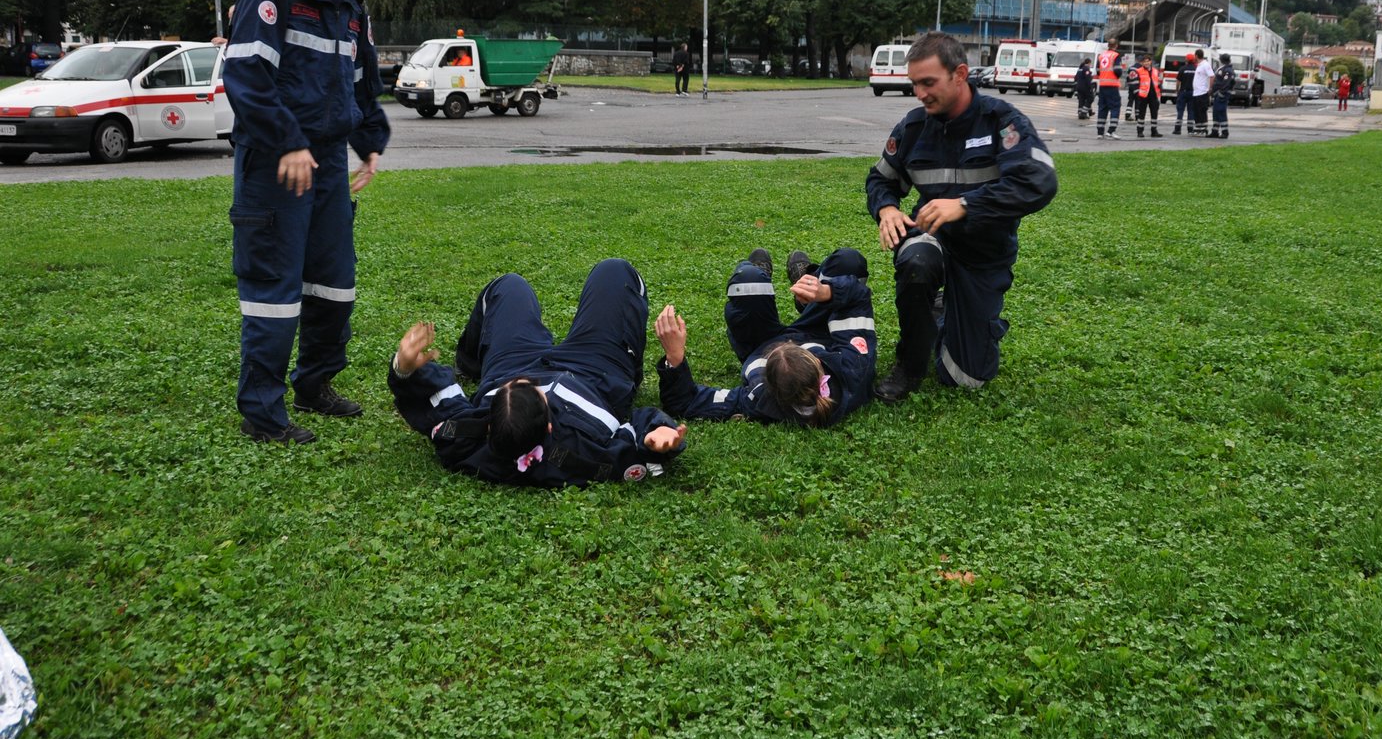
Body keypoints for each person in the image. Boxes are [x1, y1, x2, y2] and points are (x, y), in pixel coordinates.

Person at [224, 0, 390, 444]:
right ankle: (263, 415)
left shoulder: (352, 0)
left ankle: (315, 385)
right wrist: (288, 142)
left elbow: (362, 80)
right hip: (275, 161)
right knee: (274, 288)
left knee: (333, 282)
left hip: (326, 164)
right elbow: (246, 74)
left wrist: (371, 141)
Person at [866, 31, 1059, 402]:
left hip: (983, 254)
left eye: (928, 82)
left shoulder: (1000, 121)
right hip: (932, 239)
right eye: (914, 84)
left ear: (960, 74)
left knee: (964, 379)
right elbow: (880, 180)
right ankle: (909, 363)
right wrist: (887, 208)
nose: (920, 93)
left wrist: (967, 204)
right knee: (916, 263)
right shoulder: (912, 127)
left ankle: (946, 314)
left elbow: (1040, 181)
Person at [389, 259, 687, 487]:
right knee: (616, 273)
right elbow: (633, 445)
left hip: (512, 364)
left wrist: (403, 368)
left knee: (509, 286)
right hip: (594, 374)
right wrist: (656, 435)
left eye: (514, 387)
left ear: (490, 424)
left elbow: (440, 401)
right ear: (549, 427)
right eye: (531, 388)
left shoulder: (467, 435)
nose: (530, 382)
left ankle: (470, 361)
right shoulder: (581, 452)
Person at [653, 247, 876, 426]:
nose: (785, 344)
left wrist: (674, 357)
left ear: (769, 386)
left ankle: (760, 276)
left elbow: (686, 402)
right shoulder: (852, 370)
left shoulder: (756, 399)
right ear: (819, 365)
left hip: (759, 342)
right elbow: (859, 299)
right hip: (815, 330)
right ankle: (805, 292)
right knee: (849, 261)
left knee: (748, 280)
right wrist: (827, 293)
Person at [1094, 37, 1124, 139]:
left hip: (1102, 85)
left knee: (1102, 108)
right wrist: (1116, 76)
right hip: (1112, 85)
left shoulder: (1101, 56)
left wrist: (1104, 76)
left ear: (1108, 45)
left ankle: (1100, 132)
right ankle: (1111, 131)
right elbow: (1117, 70)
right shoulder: (1116, 56)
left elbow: (1098, 70)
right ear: (1116, 46)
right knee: (1115, 107)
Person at [1133, 55, 1164, 138]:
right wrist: (1137, 94)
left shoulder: (1155, 71)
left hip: (1153, 95)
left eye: (1148, 61)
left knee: (1154, 114)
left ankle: (1154, 131)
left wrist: (1160, 91)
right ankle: (1140, 131)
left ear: (1151, 62)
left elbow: (1159, 82)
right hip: (1143, 96)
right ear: (1142, 63)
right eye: (1144, 61)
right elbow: (1135, 84)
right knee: (1141, 115)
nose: (1146, 63)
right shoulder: (1138, 71)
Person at [1208, 52, 1236, 139]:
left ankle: (1225, 132)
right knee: (1216, 112)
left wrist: (1221, 93)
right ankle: (1215, 131)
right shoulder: (1222, 68)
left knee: (1221, 112)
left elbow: (1226, 83)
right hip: (1217, 94)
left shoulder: (1228, 70)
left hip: (1222, 95)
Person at [1190, 48, 1213, 136]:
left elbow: (1212, 76)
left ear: (1196, 56)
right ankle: (1198, 129)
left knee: (1201, 111)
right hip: (1196, 92)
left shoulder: (1205, 65)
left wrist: (1210, 88)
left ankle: (1203, 129)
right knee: (1196, 111)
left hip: (1202, 92)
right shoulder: (1199, 65)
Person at [1172, 52, 1196, 135]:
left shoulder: (1182, 69)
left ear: (1186, 59)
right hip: (1193, 92)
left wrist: (1177, 90)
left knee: (1180, 111)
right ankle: (1190, 129)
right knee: (1191, 111)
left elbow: (1178, 81)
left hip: (1183, 92)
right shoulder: (1196, 69)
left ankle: (1177, 129)